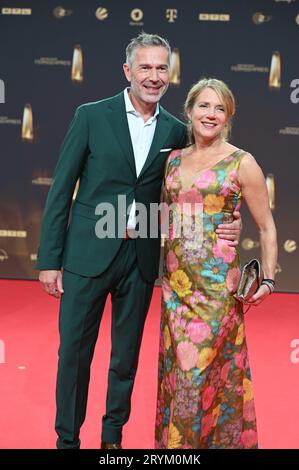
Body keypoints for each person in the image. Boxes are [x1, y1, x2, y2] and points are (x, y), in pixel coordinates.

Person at [36, 35, 241, 449]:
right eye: (144, 67)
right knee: (74, 354)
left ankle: (112, 437)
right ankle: (67, 439)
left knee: (125, 357)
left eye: (161, 68)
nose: (154, 76)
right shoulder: (92, 116)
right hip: (86, 255)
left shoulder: (177, 131)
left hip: (140, 257)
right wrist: (49, 259)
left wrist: (231, 221)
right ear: (127, 71)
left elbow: (203, 185)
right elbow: (61, 189)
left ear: (170, 74)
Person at [155, 78, 278, 449]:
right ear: (189, 112)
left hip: (216, 291)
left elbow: (268, 228)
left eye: (219, 108)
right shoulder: (173, 159)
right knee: (178, 377)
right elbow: (165, 216)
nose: (210, 115)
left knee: (200, 375)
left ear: (229, 117)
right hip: (175, 287)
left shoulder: (243, 163)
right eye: (203, 107)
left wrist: (268, 280)